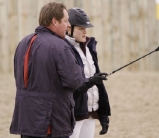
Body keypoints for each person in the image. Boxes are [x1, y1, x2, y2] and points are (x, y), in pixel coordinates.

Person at [10, 2, 84, 138]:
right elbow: (74, 81)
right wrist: (79, 68)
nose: (68, 25)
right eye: (66, 21)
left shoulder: (22, 43)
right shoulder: (60, 46)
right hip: (50, 122)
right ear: (54, 21)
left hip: (26, 119)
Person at [65, 8, 111, 138]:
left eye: (86, 28)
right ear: (69, 28)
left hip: (90, 112)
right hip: (74, 114)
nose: (85, 31)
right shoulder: (64, 49)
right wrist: (91, 81)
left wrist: (103, 114)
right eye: (81, 28)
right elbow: (70, 85)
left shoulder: (90, 48)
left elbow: (98, 84)